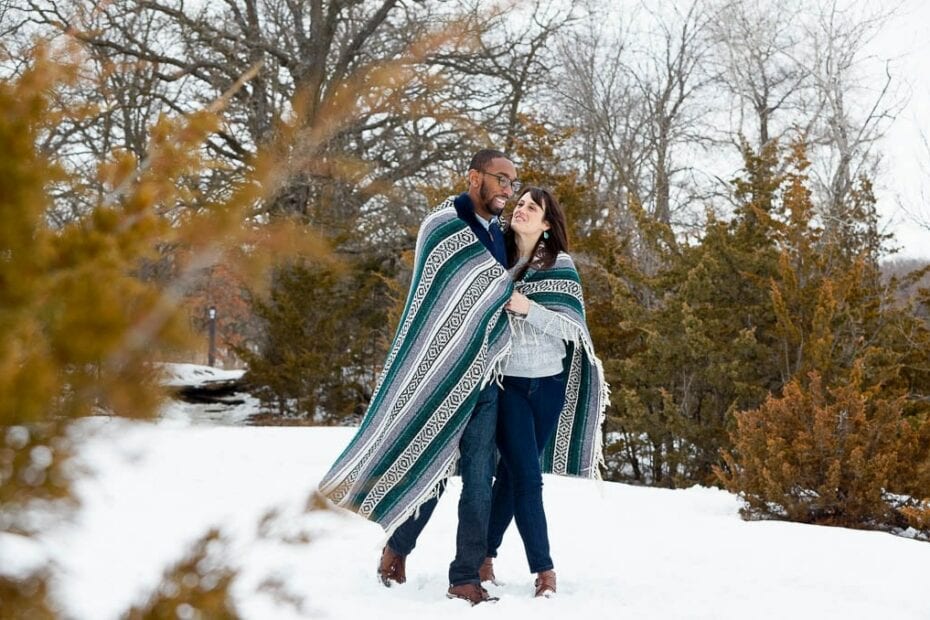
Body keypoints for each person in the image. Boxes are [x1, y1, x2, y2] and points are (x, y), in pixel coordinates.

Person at [318, 149, 520, 605]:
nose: (508, 189)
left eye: (513, 181)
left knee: (480, 475)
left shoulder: (499, 236)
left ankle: (465, 576)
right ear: (474, 177)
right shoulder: (443, 224)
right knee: (431, 471)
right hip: (439, 371)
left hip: (485, 375)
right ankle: (398, 547)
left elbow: (500, 290)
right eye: (500, 179)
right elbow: (443, 300)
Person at [479, 187, 609, 598]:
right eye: (519, 204)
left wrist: (527, 308)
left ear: (547, 223)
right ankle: (544, 570)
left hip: (549, 386)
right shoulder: (495, 259)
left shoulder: (561, 265)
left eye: (531, 208)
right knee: (529, 479)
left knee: (512, 477)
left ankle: (484, 556)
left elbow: (573, 330)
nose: (521, 210)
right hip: (509, 384)